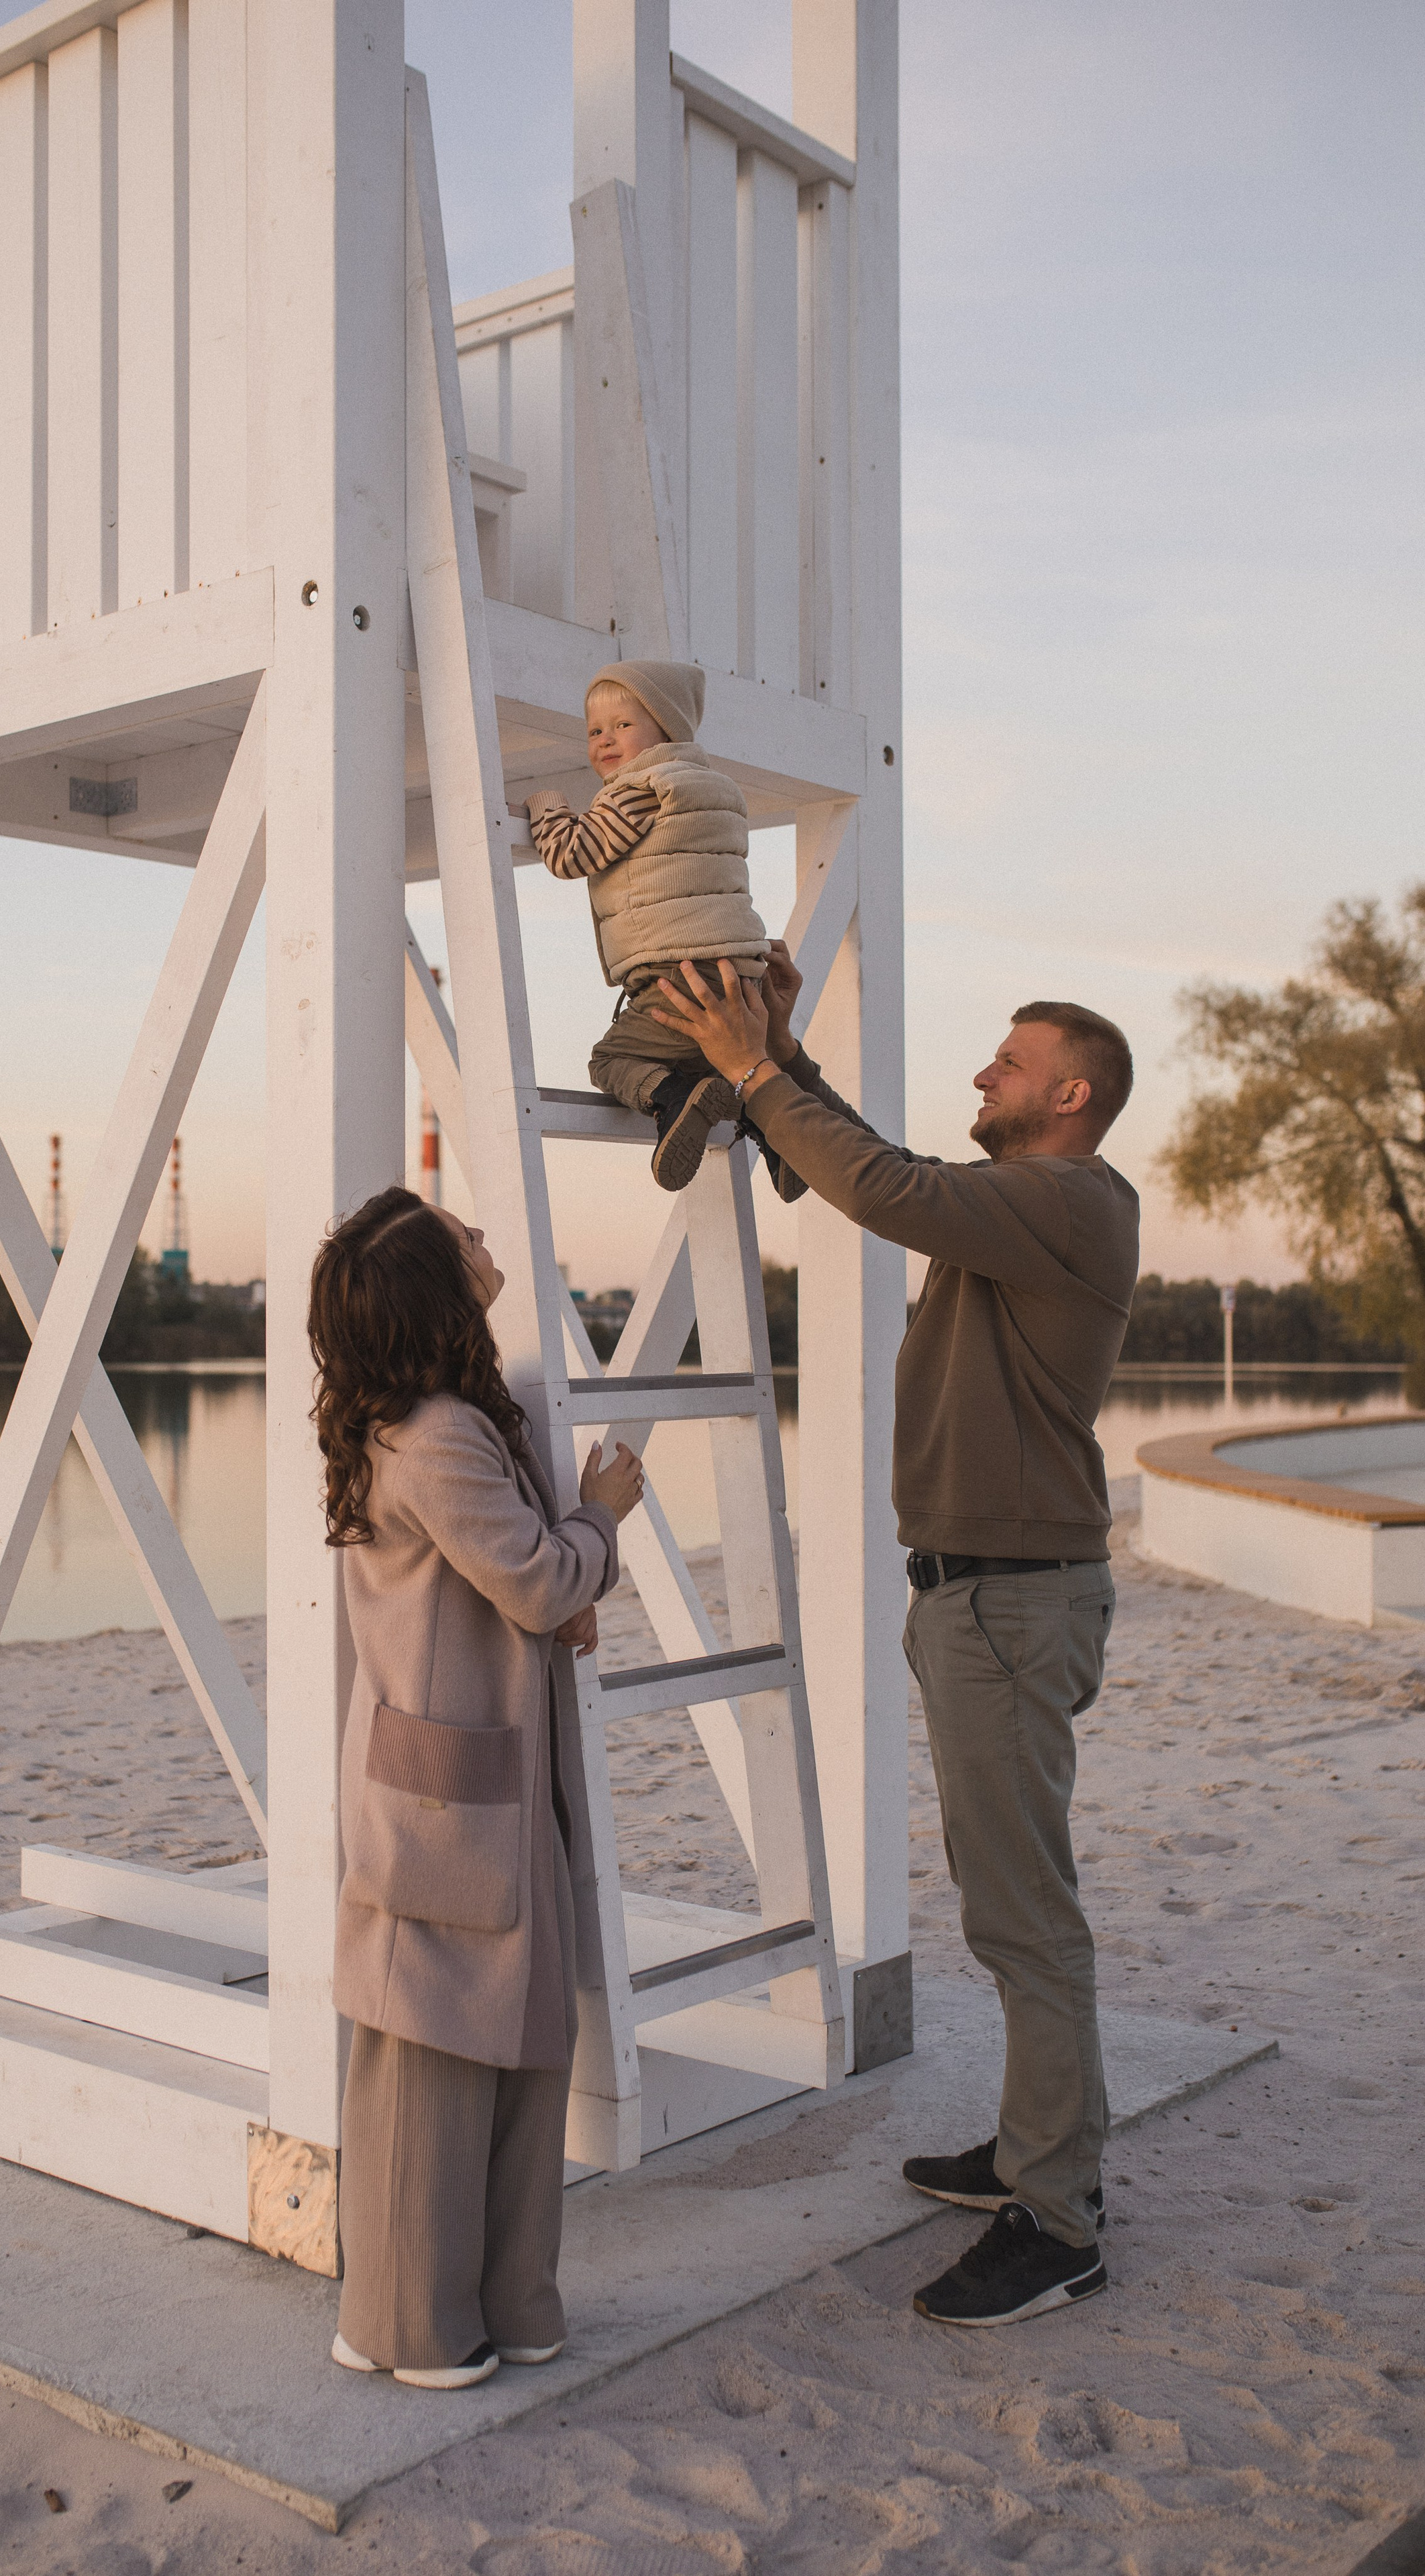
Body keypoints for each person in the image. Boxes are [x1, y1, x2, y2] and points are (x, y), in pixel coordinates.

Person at [652, 947, 1140, 2329]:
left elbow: (880, 1186)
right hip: (980, 1596)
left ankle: (1056, 2221)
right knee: (1017, 1908)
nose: (983, 1070)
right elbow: (864, 1170)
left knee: (1022, 1920)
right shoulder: (1014, 1207)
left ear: (1067, 1093)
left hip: (1007, 1600)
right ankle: (1042, 2156)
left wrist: (755, 1073)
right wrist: (781, 1060)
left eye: (1007, 1058)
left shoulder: (1066, 1201)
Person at [309, 1186, 645, 2389]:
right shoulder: (439, 1431)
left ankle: (510, 2304)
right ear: (437, 1293)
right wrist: (599, 1527)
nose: (486, 1240)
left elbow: (516, 1586)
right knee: (431, 2052)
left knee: (514, 2037)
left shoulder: (422, 1422)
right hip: (444, 1786)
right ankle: (404, 2327)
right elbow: (542, 1584)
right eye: (465, 1239)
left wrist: (560, 1583)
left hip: (476, 1772)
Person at [516, 660, 803, 1200]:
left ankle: (673, 1097)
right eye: (594, 730)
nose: (605, 740)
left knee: (613, 1060)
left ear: (666, 730)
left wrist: (546, 807)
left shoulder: (640, 788)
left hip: (681, 973)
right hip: (742, 972)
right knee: (720, 1061)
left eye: (623, 725)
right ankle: (777, 1132)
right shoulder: (719, 790)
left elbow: (571, 853)